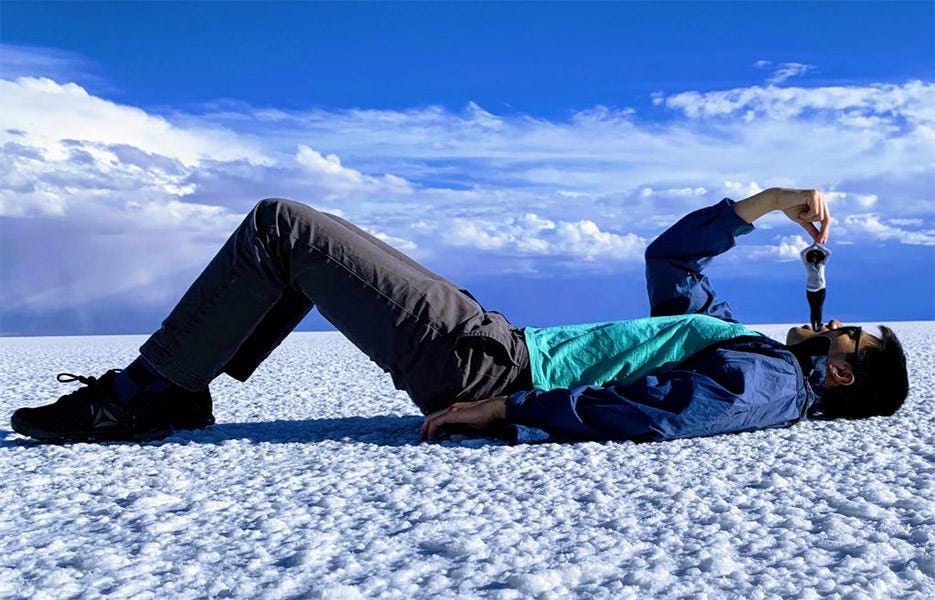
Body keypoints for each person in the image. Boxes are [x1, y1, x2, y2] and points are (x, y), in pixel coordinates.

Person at [10, 188, 909, 444]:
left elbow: (664, 412)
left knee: (285, 228)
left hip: (488, 369)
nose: (839, 324)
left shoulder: (766, 379)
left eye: (851, 336)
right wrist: (761, 205)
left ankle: (144, 394)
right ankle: (170, 388)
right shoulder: (747, 345)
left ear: (839, 373)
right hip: (490, 341)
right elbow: (669, 261)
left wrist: (506, 411)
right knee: (296, 244)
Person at [802, 243, 831, 332]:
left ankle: (818, 327)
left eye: (816, 255)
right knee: (812, 308)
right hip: (810, 289)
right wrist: (812, 246)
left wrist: (818, 246)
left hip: (821, 288)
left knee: (819, 308)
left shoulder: (822, 264)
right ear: (810, 256)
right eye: (813, 255)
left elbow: (829, 253)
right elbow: (802, 253)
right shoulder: (807, 264)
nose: (815, 256)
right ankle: (813, 327)